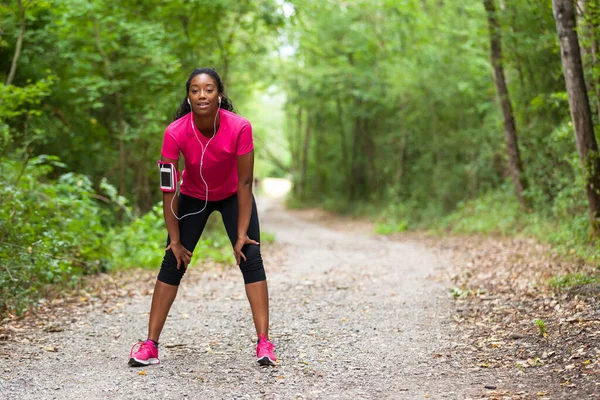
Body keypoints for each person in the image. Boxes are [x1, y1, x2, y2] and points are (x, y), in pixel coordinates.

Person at [128, 68, 276, 367]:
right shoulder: (175, 132)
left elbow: (246, 183)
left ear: (219, 94)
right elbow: (168, 189)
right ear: (189, 95)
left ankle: (264, 344)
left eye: (208, 89)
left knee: (251, 255)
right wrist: (176, 240)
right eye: (195, 90)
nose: (202, 95)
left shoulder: (240, 127)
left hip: (234, 194)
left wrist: (241, 233)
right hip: (194, 196)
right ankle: (150, 345)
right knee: (172, 261)